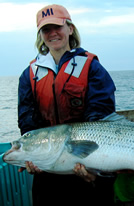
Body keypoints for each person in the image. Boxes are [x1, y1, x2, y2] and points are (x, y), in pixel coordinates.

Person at [18, 4, 116, 206]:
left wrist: (88, 160)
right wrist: (32, 156)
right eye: (46, 29)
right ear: (41, 35)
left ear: (70, 29)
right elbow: (28, 121)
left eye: (58, 27)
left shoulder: (92, 67)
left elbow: (100, 116)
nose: (53, 33)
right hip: (48, 170)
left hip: (87, 163)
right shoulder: (29, 74)